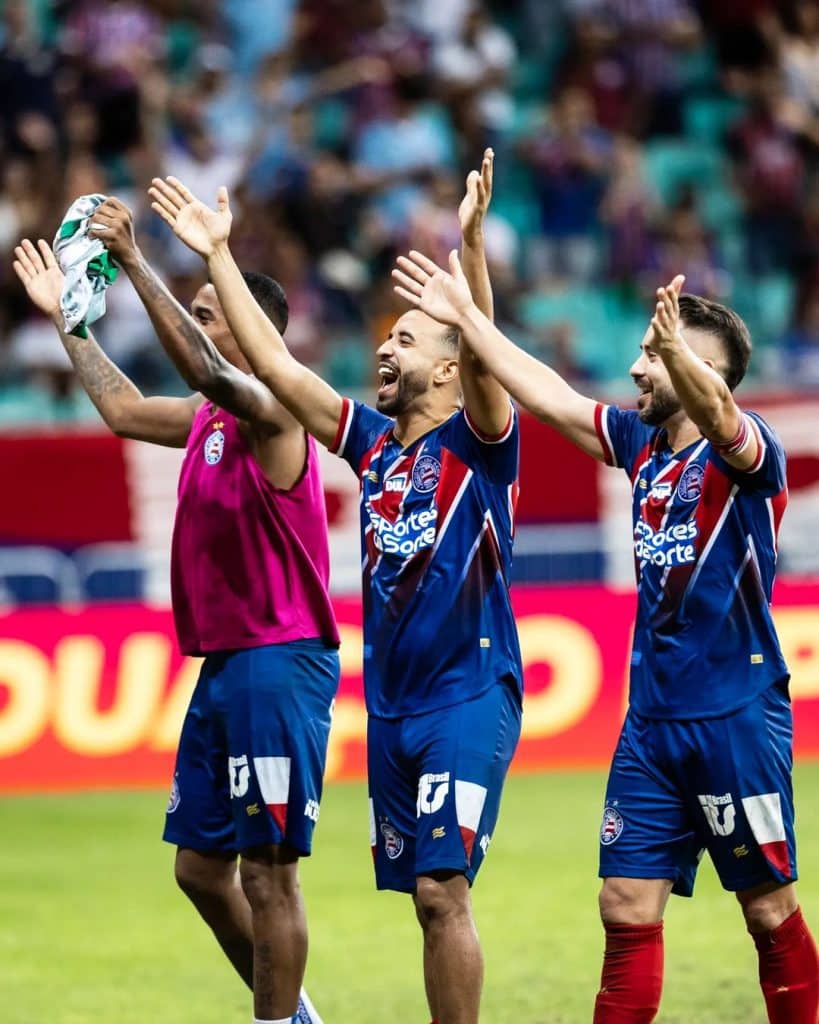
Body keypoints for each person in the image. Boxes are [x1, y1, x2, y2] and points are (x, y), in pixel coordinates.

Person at [391, 247, 819, 1024]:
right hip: (650, 725)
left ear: (698, 367)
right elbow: (548, 396)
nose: (633, 370)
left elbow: (720, 414)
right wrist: (469, 324)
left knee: (765, 909)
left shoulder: (749, 456)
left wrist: (680, 358)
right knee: (622, 904)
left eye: (651, 357)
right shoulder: (640, 447)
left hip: (735, 717)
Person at [148, 150, 522, 1024]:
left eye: (407, 341)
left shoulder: (480, 445)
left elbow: (485, 358)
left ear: (446, 368)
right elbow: (277, 372)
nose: (386, 350)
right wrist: (216, 259)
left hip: (469, 695)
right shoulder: (374, 448)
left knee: (441, 893)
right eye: (384, 338)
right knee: (416, 896)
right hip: (390, 705)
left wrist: (468, 262)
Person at [12, 212, 339, 1024]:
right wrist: (69, 317)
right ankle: (293, 1013)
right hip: (228, 664)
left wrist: (129, 256)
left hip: (278, 658)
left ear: (253, 326)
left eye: (208, 307)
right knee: (200, 869)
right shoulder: (207, 422)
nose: (195, 317)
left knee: (268, 874)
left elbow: (204, 370)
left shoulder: (273, 409)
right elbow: (122, 411)